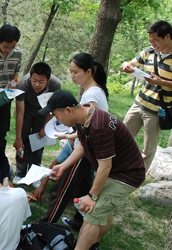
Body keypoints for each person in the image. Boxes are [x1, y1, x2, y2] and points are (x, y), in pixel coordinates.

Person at [40, 90, 145, 250]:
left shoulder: (99, 126)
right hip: (114, 171)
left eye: (56, 115)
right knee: (105, 211)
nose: (56, 120)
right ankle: (93, 244)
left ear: (68, 110)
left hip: (126, 175)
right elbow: (82, 144)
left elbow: (105, 166)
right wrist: (63, 165)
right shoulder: (84, 116)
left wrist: (92, 196)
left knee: (93, 213)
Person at [35, 53, 109, 232]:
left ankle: (45, 224)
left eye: (76, 72)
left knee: (63, 188)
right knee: (83, 184)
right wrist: (70, 137)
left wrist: (73, 139)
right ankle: (79, 221)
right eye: (71, 72)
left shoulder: (91, 95)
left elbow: (90, 127)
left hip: (85, 150)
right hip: (85, 146)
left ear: (89, 72)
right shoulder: (93, 90)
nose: (72, 76)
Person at [122, 20, 172, 171]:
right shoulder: (149, 52)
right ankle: (115, 169)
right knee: (122, 137)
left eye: (156, 40)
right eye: (151, 41)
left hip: (157, 111)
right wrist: (126, 65)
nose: (153, 44)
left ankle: (137, 176)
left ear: (167, 36)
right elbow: (131, 63)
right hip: (139, 103)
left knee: (147, 149)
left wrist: (160, 81)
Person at [12, 62, 61, 188]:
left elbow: (52, 108)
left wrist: (45, 127)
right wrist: (18, 137)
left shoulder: (55, 85)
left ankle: (35, 173)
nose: (37, 84)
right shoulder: (22, 84)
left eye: (41, 81)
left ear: (48, 80)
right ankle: (20, 172)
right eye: (34, 80)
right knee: (22, 143)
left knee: (38, 143)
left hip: (43, 113)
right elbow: (20, 112)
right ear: (30, 78)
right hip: (27, 112)